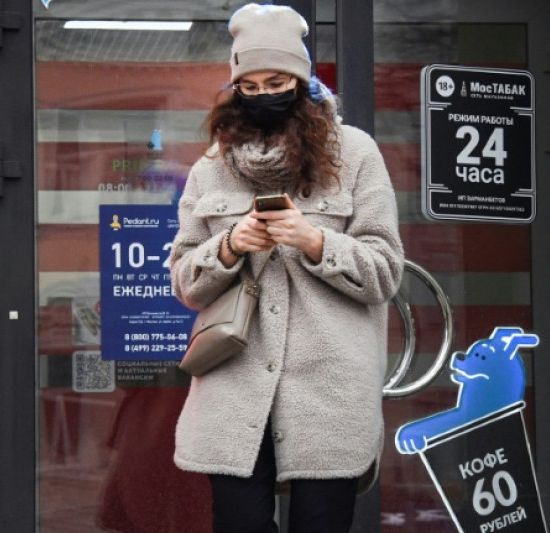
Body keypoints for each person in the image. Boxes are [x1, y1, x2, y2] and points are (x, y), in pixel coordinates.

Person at [169, 3, 404, 532]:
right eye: (248, 86)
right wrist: (229, 246)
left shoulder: (357, 154)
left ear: (301, 80)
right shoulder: (212, 168)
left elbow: (387, 271)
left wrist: (315, 241)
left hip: (329, 389)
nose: (262, 95)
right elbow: (184, 280)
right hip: (236, 386)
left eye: (276, 80)